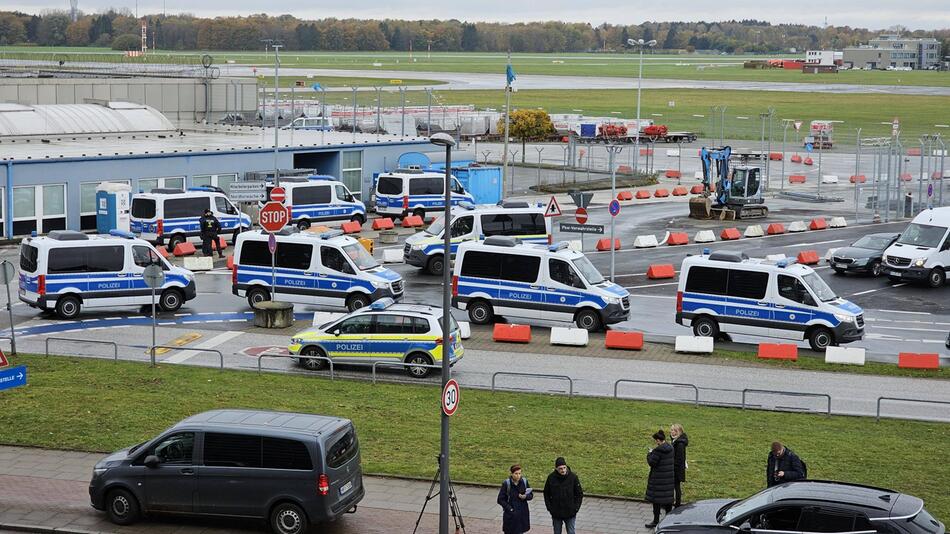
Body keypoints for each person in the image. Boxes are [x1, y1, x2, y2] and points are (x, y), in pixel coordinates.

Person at [543, 457, 583, 534]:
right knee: (557, 532)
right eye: (560, 468)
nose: (563, 470)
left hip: (570, 512)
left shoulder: (573, 477)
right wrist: (550, 508)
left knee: (571, 532)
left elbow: (579, 494)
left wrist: (576, 508)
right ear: (556, 468)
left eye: (564, 468)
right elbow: (546, 493)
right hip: (556, 512)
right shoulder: (551, 478)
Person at [645, 429, 675, 529]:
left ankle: (656, 521)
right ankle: (669, 521)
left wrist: (649, 453)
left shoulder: (658, 451)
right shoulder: (670, 448)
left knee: (656, 501)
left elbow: (652, 462)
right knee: (667, 501)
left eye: (655, 440)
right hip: (668, 479)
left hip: (658, 480)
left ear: (658, 440)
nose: (655, 442)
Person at [498, 464, 533, 534]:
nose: (518, 476)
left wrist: (525, 497)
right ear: (511, 474)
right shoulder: (506, 484)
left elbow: (531, 495)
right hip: (511, 515)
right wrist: (510, 509)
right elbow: (500, 499)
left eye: (519, 473)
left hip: (522, 514)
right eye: (516, 474)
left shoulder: (524, 482)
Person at [670, 424, 689, 508]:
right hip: (675, 467)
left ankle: (677, 504)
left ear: (680, 432)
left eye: (675, 431)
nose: (672, 432)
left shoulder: (680, 444)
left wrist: (673, 467)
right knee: (673, 486)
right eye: (672, 430)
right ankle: (672, 503)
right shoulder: (675, 441)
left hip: (676, 469)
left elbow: (679, 458)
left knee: (676, 486)